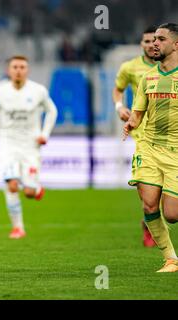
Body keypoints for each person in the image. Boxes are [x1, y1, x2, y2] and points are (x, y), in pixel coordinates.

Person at [124, 23, 178, 272]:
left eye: (161, 39)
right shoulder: (148, 77)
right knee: (148, 205)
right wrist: (130, 123)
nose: (154, 43)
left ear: (175, 45)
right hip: (149, 147)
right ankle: (171, 259)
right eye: (153, 39)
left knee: (172, 214)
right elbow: (137, 114)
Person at [0, 55, 57, 239]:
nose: (18, 70)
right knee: (12, 185)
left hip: (30, 146)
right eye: (15, 67)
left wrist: (44, 134)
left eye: (22, 67)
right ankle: (18, 227)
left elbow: (52, 111)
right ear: (8, 70)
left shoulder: (38, 91)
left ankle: (36, 189)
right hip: (8, 144)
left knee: (28, 192)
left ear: (27, 70)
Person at [113, 25, 158, 247]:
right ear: (141, 44)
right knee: (147, 191)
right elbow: (118, 88)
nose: (152, 45)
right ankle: (148, 220)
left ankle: (152, 218)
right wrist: (119, 107)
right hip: (142, 135)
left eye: (155, 40)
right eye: (147, 41)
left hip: (171, 134)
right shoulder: (130, 67)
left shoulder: (171, 67)